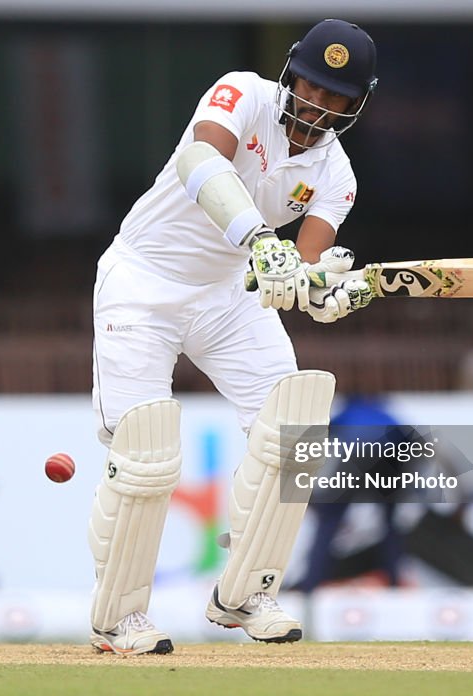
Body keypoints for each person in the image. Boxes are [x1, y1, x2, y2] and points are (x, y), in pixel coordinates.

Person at [88, 19, 379, 655]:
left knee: (297, 424)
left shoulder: (336, 176)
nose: (318, 106)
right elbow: (199, 158)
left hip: (228, 297)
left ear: (355, 106)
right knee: (145, 450)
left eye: (337, 98)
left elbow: (296, 273)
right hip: (144, 280)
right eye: (312, 87)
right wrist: (260, 242)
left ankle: (247, 591)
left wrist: (318, 289)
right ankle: (120, 616)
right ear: (290, 74)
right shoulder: (240, 93)